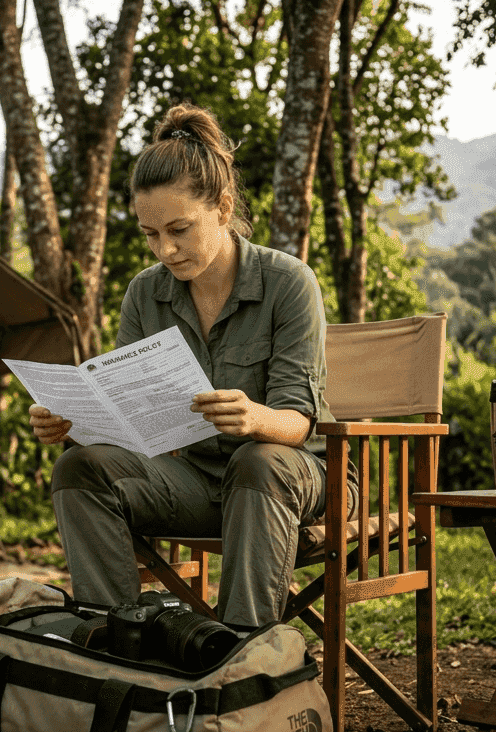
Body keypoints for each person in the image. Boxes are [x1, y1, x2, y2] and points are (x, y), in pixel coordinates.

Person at [30, 102, 356, 633]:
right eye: (150, 234)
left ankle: (239, 654)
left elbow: (298, 422)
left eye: (179, 229)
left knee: (259, 461)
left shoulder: (288, 283)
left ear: (223, 208)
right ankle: (118, 638)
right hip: (195, 481)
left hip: (299, 478)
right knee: (79, 469)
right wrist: (73, 423)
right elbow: (130, 418)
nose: (166, 249)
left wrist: (253, 418)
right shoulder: (145, 293)